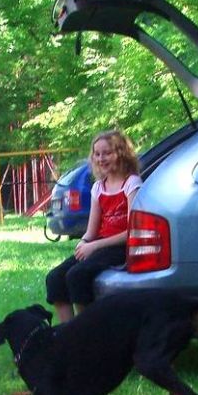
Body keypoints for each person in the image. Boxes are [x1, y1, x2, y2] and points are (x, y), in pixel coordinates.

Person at [45, 130, 141, 324]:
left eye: (107, 153)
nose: (101, 158)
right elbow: (91, 231)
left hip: (121, 247)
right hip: (99, 245)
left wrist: (95, 246)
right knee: (54, 278)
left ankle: (87, 331)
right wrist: (84, 242)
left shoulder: (132, 183)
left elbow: (133, 231)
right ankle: (69, 332)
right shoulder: (98, 187)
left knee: (77, 276)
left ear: (121, 153)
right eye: (97, 154)